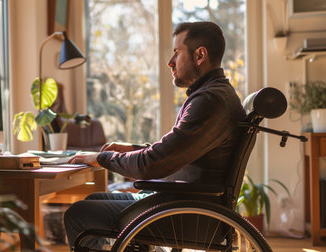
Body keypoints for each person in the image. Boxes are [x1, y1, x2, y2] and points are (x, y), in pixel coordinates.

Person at [64, 21, 247, 250]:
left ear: (200, 55)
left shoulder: (209, 100)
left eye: (177, 53)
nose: (170, 63)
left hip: (184, 211)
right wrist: (133, 148)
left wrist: (100, 158)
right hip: (184, 202)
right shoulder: (216, 95)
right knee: (92, 201)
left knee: (78, 214)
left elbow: (152, 164)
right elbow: (176, 152)